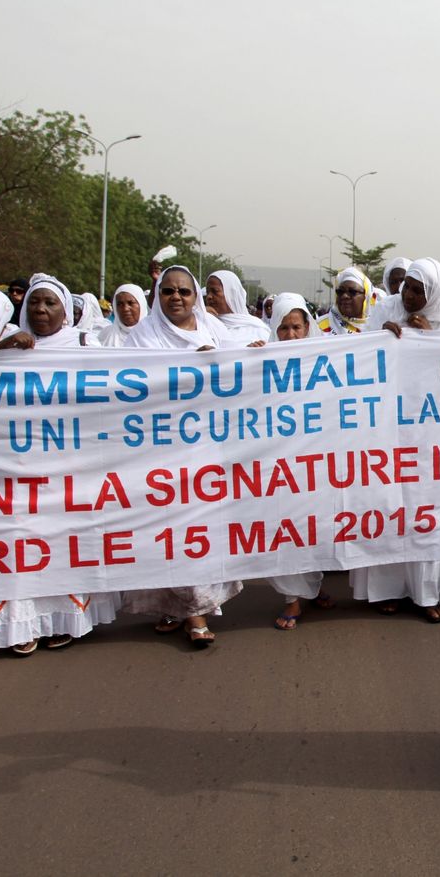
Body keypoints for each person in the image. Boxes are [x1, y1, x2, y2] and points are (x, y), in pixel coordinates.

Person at [0, 275, 120, 654]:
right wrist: (6, 348)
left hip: (69, 465)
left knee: (65, 541)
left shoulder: (84, 345)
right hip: (19, 465)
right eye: (34, 303)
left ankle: (65, 618)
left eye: (50, 303)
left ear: (67, 311)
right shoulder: (9, 342)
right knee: (18, 540)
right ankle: (21, 623)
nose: (41, 311)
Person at [122, 265, 248, 646]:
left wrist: (232, 361)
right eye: (168, 292)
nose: (176, 298)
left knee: (201, 531)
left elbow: (242, 378)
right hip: (159, 452)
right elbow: (126, 386)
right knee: (170, 531)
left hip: (206, 450)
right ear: (157, 296)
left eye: (184, 292)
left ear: (195, 297)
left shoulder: (216, 331)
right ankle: (191, 615)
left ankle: (190, 606)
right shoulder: (140, 338)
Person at [356, 257, 440, 620]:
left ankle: (428, 592)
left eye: (418, 289)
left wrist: (434, 339)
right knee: (390, 500)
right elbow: (361, 356)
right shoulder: (384, 311)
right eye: (406, 285)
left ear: (434, 293)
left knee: (428, 505)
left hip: (433, 433)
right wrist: (382, 337)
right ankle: (386, 590)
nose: (407, 294)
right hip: (390, 426)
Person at [263, 291, 335, 628]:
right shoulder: (260, 362)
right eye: (282, 329)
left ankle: (314, 585)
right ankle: (292, 598)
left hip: (316, 461)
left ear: (308, 327)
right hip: (280, 463)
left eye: (296, 327)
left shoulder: (325, 359)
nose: (290, 335)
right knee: (287, 526)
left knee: (315, 525)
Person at [205, 270, 270, 343]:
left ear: (231, 294)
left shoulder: (257, 329)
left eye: (215, 291)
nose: (209, 296)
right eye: (207, 292)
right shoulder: (202, 324)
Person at [318, 267, 377, 335]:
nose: (344, 296)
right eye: (340, 291)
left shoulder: (378, 326)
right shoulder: (319, 327)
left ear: (366, 296)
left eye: (352, 291)